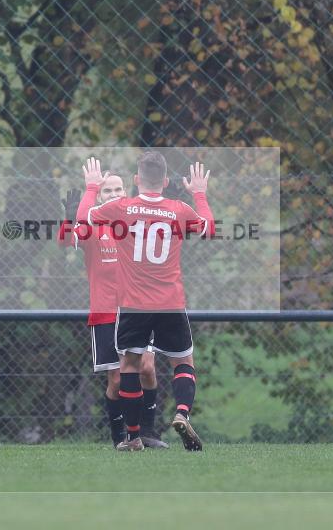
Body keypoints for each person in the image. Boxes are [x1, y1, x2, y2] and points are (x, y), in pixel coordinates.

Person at [76, 153, 214, 452]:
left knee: (130, 365)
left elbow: (83, 218)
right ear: (165, 181)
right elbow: (208, 228)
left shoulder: (121, 209)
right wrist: (200, 194)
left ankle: (135, 436)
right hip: (170, 303)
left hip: (133, 304)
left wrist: (90, 188)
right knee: (183, 363)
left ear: (136, 180)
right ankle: (181, 412)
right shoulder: (179, 209)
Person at [60, 174, 168, 449]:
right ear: (99, 196)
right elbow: (64, 242)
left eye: (118, 188)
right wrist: (71, 218)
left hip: (139, 310)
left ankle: (147, 432)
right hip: (106, 311)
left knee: (146, 368)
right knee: (117, 378)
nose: (114, 193)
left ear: (126, 191)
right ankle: (120, 438)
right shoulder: (93, 226)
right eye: (107, 190)